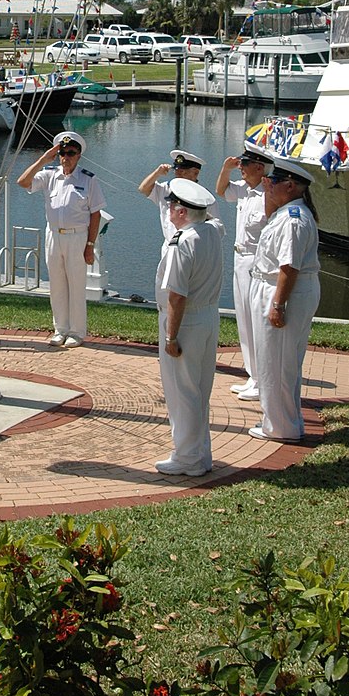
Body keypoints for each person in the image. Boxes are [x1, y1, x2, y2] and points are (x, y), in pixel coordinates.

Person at [247, 157, 320, 443]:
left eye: (274, 182)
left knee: (276, 361)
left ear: (290, 186)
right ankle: (284, 418)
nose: (269, 185)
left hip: (283, 291)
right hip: (276, 288)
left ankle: (281, 427)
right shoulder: (286, 212)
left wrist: (278, 305)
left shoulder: (293, 220)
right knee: (279, 360)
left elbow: (289, 267)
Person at [154, 178, 223, 476]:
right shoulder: (211, 232)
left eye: (173, 204)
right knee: (199, 389)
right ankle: (200, 453)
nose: (168, 208)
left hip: (187, 322)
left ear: (182, 212)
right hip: (208, 317)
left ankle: (187, 457)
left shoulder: (181, 242)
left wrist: (171, 335)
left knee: (182, 391)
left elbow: (177, 295)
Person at [17, 130, 105, 347]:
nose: (66, 157)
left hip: (77, 237)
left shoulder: (88, 180)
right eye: (62, 153)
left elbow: (96, 214)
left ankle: (76, 331)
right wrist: (42, 159)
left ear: (79, 155)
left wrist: (90, 245)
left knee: (76, 285)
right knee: (56, 285)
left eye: (71, 153)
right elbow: (22, 181)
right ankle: (60, 329)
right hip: (54, 236)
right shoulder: (49, 175)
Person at [215, 142, 275, 400]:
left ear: (260, 168)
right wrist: (225, 169)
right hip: (240, 259)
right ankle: (253, 375)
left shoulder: (268, 194)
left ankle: (263, 379)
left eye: (245, 164)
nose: (241, 168)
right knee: (243, 319)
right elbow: (221, 191)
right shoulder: (245, 190)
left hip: (257, 262)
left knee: (256, 319)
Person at [138, 149, 223, 242]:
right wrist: (157, 173)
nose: (178, 174)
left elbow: (218, 229)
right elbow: (143, 189)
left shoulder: (204, 198)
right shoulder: (167, 188)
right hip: (170, 245)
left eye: (183, 171)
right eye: (176, 170)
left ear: (195, 173)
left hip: (192, 245)